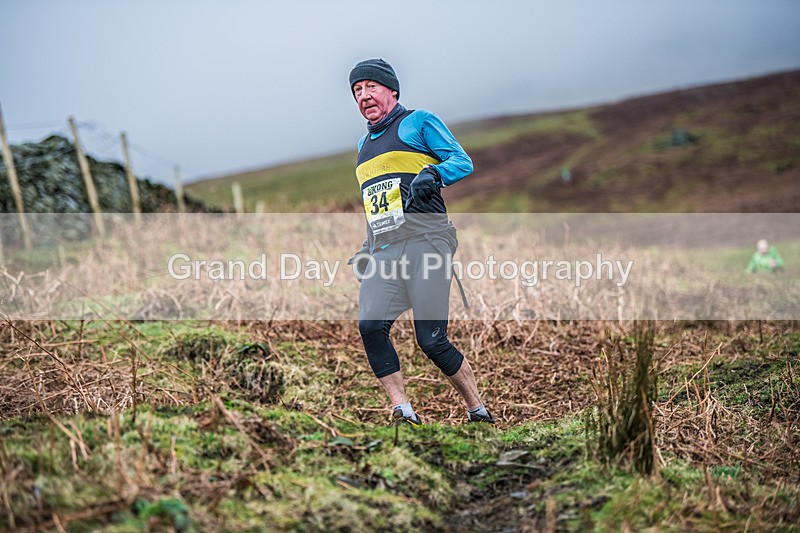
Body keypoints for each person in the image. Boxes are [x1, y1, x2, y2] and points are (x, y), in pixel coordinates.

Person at [346, 58, 494, 426]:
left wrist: (435, 173)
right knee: (370, 326)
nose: (363, 95)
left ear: (392, 91)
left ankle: (477, 411)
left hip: (427, 241)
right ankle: (403, 411)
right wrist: (367, 246)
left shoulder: (419, 121)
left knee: (431, 341)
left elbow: (462, 161)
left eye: (371, 87)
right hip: (385, 250)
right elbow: (376, 205)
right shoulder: (363, 146)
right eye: (357, 90)